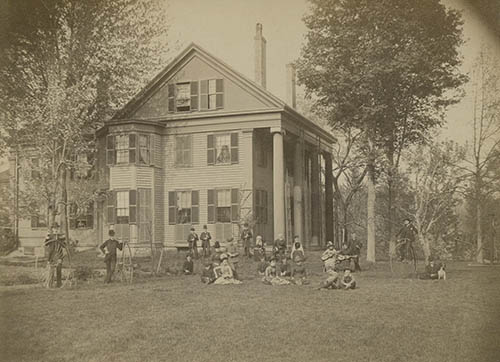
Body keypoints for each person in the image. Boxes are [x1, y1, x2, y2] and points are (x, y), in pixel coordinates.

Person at [44, 223, 67, 288]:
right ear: (52, 229)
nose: (55, 229)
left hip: (59, 255)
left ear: (58, 228)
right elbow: (46, 244)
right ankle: (50, 284)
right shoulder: (50, 235)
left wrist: (62, 241)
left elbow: (64, 245)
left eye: (57, 228)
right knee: (51, 269)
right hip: (52, 255)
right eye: (54, 228)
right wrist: (47, 238)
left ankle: (59, 284)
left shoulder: (61, 236)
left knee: (59, 269)